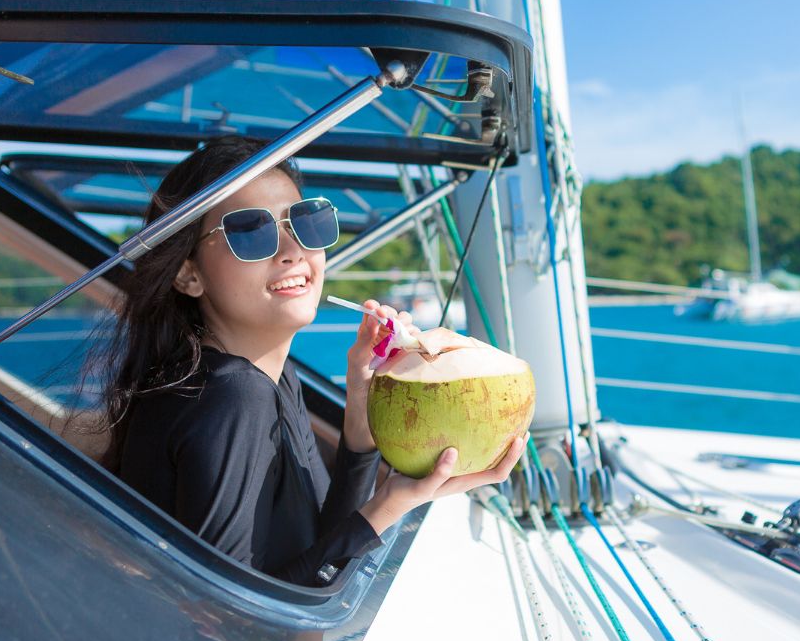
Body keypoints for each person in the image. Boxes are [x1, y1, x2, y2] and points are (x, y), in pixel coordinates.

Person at [95, 136, 524, 586]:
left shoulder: (271, 380)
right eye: (250, 232)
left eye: (305, 223)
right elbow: (231, 613)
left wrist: (361, 406)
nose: (292, 250)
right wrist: (389, 505)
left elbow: (316, 543)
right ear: (189, 273)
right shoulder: (233, 396)